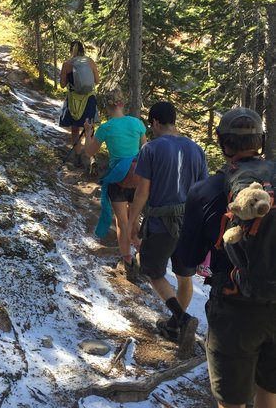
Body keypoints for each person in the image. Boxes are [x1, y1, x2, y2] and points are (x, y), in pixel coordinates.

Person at [178, 107, 276, 408]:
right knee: (269, 392)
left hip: (233, 309)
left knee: (232, 406)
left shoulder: (207, 191)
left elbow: (185, 258)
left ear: (221, 143)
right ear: (260, 142)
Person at [127, 101, 208, 357]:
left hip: (161, 223)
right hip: (190, 223)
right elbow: (204, 191)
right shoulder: (196, 149)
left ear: (155, 122)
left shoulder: (151, 149)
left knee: (153, 272)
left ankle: (181, 319)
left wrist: (131, 224)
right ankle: (174, 326)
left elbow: (142, 192)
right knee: (185, 277)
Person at [83, 92, 147, 280]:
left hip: (118, 177)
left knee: (122, 221)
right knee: (135, 219)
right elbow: (145, 150)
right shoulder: (137, 123)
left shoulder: (106, 128)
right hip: (138, 176)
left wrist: (88, 132)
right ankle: (141, 255)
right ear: (122, 104)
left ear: (107, 107)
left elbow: (89, 151)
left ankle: (127, 260)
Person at [60, 40, 100, 168]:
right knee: (90, 129)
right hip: (89, 99)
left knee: (75, 128)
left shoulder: (67, 64)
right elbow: (97, 80)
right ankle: (92, 158)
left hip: (74, 100)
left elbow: (62, 84)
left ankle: (77, 157)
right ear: (83, 50)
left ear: (71, 50)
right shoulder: (90, 62)